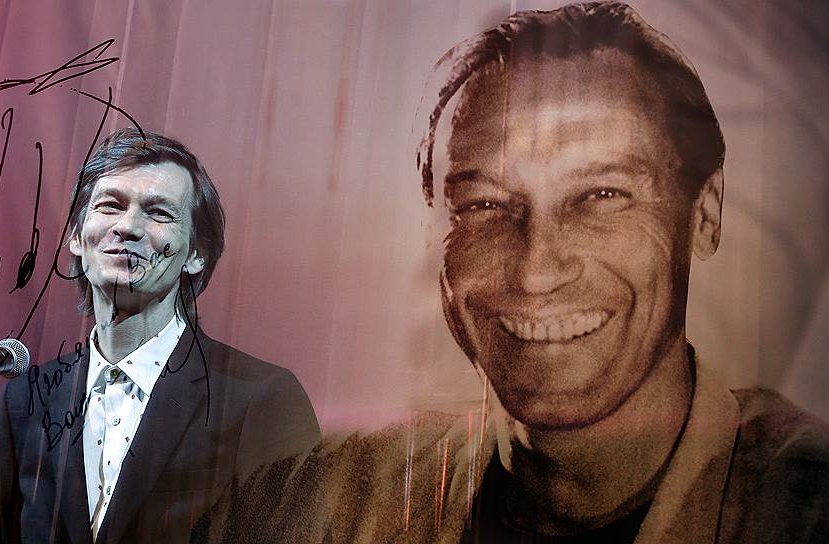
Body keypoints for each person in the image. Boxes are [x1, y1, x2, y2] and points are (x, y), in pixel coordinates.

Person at [195, 3, 829, 543]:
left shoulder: (804, 510)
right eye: (484, 205)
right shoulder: (311, 510)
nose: (534, 272)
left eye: (601, 195)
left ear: (705, 216)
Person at [0, 128, 320, 543]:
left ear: (196, 254)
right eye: (110, 205)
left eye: (159, 213)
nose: (128, 226)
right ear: (76, 236)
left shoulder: (261, 398)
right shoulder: (25, 399)